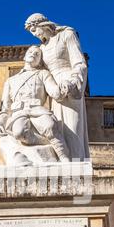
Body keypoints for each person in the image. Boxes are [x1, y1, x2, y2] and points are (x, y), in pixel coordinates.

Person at [25, 13, 89, 160]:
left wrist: (73, 83)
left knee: (73, 128)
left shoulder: (67, 34)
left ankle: (77, 166)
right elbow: (36, 71)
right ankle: (65, 164)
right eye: (31, 33)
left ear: (42, 24)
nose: (35, 35)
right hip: (53, 90)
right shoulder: (42, 48)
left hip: (69, 84)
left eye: (34, 30)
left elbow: (79, 63)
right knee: (58, 129)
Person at [0, 45, 69, 164]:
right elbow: (5, 107)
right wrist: (0, 122)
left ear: (39, 60)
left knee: (50, 126)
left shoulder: (43, 74)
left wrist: (64, 86)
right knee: (19, 133)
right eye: (31, 52)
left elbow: (54, 91)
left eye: (37, 54)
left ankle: (64, 157)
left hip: (38, 110)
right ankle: (48, 142)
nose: (33, 54)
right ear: (24, 56)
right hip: (19, 113)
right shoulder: (10, 81)